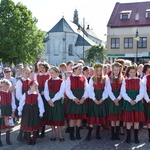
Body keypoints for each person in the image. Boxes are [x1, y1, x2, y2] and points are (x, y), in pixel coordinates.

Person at [121, 65, 145, 144]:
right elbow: (123, 92)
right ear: (128, 72)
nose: (133, 74)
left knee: (136, 120)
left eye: (134, 72)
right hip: (128, 102)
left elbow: (142, 92)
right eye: (131, 72)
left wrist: (136, 100)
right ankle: (128, 136)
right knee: (128, 120)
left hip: (137, 102)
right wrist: (129, 100)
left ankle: (136, 137)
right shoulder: (125, 81)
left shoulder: (139, 80)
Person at [65, 63, 88, 141]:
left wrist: (83, 98)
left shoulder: (83, 78)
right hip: (73, 100)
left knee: (79, 117)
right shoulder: (70, 78)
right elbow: (67, 89)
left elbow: (86, 89)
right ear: (74, 69)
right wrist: (73, 98)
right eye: (79, 69)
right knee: (72, 118)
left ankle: (77, 133)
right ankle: (71, 134)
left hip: (81, 99)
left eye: (81, 69)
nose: (81, 70)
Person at [85, 63, 108, 141]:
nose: (98, 72)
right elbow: (90, 90)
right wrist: (94, 99)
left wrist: (102, 99)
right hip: (94, 99)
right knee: (93, 115)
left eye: (100, 70)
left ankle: (98, 133)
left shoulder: (105, 79)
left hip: (101, 99)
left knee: (99, 115)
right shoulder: (92, 79)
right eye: (97, 70)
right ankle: (89, 134)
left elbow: (106, 90)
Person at [18, 80, 44, 145]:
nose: (36, 87)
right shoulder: (25, 94)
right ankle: (29, 139)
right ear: (30, 86)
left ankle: (34, 139)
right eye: (35, 86)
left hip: (35, 111)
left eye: (37, 86)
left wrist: (41, 112)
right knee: (27, 124)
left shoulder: (37, 94)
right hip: (27, 111)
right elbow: (21, 103)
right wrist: (19, 111)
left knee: (34, 125)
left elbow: (41, 104)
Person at [44, 66, 65, 142]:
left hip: (57, 101)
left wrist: (53, 100)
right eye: (50, 72)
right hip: (49, 101)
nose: (51, 74)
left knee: (58, 118)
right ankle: (53, 134)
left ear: (57, 73)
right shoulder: (47, 81)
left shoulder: (61, 81)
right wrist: (49, 100)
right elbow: (46, 91)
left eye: (52, 72)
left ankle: (60, 135)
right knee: (52, 118)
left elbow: (61, 92)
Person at [106, 62, 124, 140]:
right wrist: (114, 99)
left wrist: (118, 98)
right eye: (115, 70)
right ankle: (112, 134)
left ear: (120, 71)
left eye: (118, 70)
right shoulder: (108, 79)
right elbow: (109, 90)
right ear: (112, 70)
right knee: (113, 117)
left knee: (118, 117)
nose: (116, 71)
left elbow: (122, 90)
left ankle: (117, 133)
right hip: (112, 99)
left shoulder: (123, 79)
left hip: (119, 98)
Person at [35, 61, 50, 138]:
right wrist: (38, 92)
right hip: (38, 96)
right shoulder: (36, 76)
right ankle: (37, 130)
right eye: (40, 67)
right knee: (38, 112)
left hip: (45, 96)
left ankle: (43, 131)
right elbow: (34, 85)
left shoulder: (49, 76)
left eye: (43, 67)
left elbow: (49, 86)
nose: (42, 69)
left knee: (44, 113)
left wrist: (44, 93)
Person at [16, 66, 31, 142]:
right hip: (23, 102)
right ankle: (20, 134)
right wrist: (24, 101)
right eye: (26, 73)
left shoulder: (30, 81)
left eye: (29, 73)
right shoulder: (19, 82)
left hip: (29, 103)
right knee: (24, 119)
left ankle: (25, 134)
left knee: (28, 119)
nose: (27, 74)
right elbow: (18, 95)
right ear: (22, 73)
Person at [0, 79, 16, 146]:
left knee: (8, 126)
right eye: (1, 86)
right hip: (2, 111)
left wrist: (13, 112)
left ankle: (8, 140)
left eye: (4, 86)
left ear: (8, 86)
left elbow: (13, 103)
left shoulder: (10, 93)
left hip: (8, 111)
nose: (3, 87)